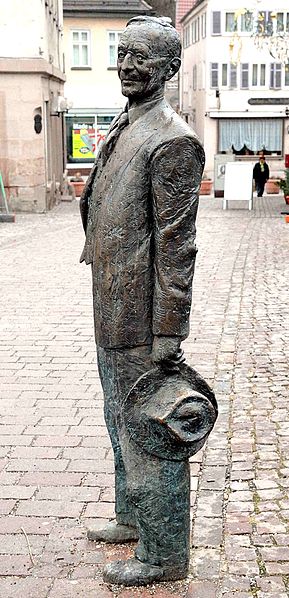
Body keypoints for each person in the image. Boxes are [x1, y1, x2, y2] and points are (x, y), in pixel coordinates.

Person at [79, 15, 205, 585]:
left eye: (143, 58)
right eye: (124, 54)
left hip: (142, 318)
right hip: (111, 304)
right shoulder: (127, 121)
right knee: (117, 421)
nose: (129, 66)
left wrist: (169, 332)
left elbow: (178, 246)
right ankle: (133, 517)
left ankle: (165, 551)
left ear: (170, 69)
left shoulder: (173, 140)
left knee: (151, 430)